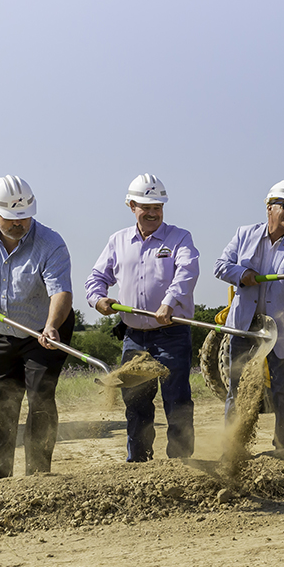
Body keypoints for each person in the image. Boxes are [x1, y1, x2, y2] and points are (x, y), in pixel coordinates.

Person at [0, 175, 73, 480]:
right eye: (11, 218)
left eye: (24, 216)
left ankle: (37, 476)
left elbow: (61, 292)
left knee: (40, 397)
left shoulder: (51, 243)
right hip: (1, 331)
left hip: (44, 330)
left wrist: (52, 326)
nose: (19, 223)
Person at [85, 174, 199, 462]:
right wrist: (98, 299)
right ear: (131, 206)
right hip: (134, 337)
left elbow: (187, 273)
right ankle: (138, 463)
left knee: (176, 399)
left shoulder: (179, 238)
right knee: (136, 403)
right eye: (146, 207)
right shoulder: (118, 241)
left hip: (172, 334)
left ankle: (181, 463)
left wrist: (169, 303)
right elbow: (96, 277)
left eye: (157, 207)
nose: (152, 213)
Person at [214, 180, 284, 450]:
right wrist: (243, 274)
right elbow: (220, 266)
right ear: (269, 207)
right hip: (244, 327)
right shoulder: (244, 235)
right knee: (237, 389)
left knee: (282, 390)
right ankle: (234, 448)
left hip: (281, 332)